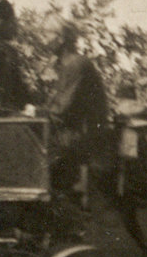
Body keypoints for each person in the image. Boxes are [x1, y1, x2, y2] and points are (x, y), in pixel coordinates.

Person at [38, 14, 112, 193]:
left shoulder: (76, 64)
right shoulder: (68, 65)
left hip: (82, 138)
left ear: (61, 38)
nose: (43, 39)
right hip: (76, 135)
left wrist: (37, 112)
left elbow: (61, 109)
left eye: (46, 34)